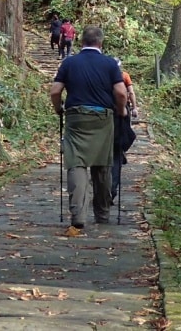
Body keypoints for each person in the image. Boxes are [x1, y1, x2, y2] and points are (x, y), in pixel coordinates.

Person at [49, 25, 126, 233]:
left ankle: (78, 216)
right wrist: (121, 112)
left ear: (81, 41)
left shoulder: (70, 62)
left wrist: (59, 110)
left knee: (77, 164)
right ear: (101, 43)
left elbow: (55, 91)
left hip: (76, 119)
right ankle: (102, 214)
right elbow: (120, 93)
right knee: (102, 165)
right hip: (103, 118)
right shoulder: (110, 64)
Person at [111, 59, 138, 198]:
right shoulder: (124, 75)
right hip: (122, 110)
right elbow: (130, 92)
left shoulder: (104, 75)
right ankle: (121, 151)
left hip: (107, 110)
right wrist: (134, 107)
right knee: (124, 134)